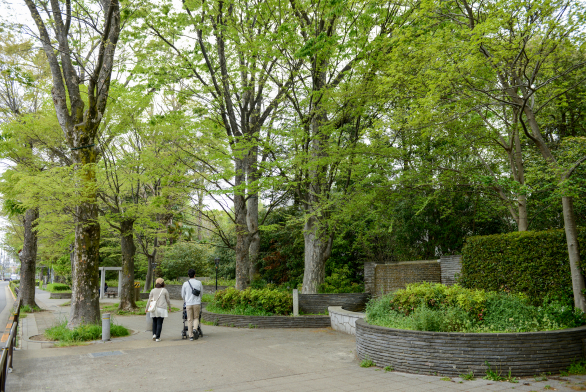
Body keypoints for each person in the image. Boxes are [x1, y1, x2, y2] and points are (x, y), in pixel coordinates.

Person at [146, 278, 171, 342]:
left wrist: (147, 308)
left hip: (154, 308)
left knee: (154, 322)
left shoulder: (153, 290)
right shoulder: (164, 290)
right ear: (162, 283)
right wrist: (170, 307)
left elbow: (149, 300)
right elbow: (168, 300)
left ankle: (154, 334)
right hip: (162, 308)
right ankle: (158, 337)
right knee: (159, 323)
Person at [181, 269, 203, 341]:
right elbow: (201, 293)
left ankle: (190, 336)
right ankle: (195, 329)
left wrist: (186, 300)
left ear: (188, 275)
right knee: (196, 318)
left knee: (189, 319)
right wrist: (199, 299)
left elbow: (183, 295)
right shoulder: (199, 283)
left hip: (188, 303)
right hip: (197, 303)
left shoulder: (185, 284)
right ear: (194, 275)